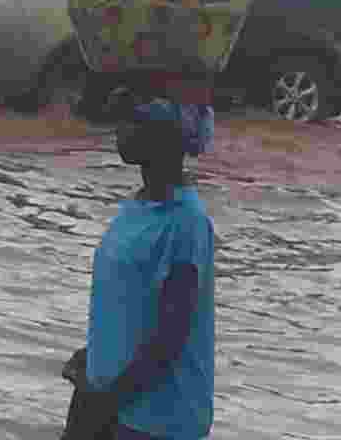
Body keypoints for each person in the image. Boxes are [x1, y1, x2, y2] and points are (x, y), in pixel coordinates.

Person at [61, 78, 216, 440]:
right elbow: (128, 306)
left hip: (158, 418)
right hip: (116, 401)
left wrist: (107, 401)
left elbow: (171, 336)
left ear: (167, 138)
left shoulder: (185, 223)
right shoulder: (136, 208)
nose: (122, 131)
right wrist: (93, 359)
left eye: (136, 123)